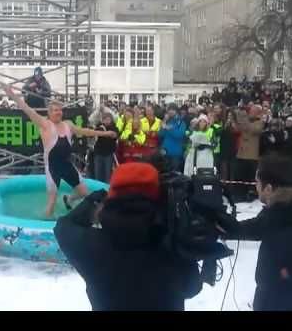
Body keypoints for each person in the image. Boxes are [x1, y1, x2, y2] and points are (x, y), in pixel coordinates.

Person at [54, 162, 202, 311]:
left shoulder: (90, 246)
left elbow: (63, 226)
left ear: (112, 199)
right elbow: (192, 288)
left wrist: (95, 198)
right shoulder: (173, 245)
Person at [200, 155, 292, 310]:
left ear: (268, 188)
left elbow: (250, 228)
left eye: (257, 182)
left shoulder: (282, 213)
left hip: (282, 298)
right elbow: (254, 228)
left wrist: (289, 274)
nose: (255, 187)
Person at [4, 86, 117, 217]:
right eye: (56, 110)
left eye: (60, 110)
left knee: (84, 192)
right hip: (52, 168)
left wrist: (106, 133)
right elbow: (27, 109)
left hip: (67, 165)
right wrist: (11, 94)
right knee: (51, 202)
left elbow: (85, 131)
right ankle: (41, 228)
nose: (59, 112)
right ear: (49, 113)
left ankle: (68, 199)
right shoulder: (45, 124)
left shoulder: (67, 124)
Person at [233, 105, 264, 201]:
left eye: (253, 111)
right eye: (250, 110)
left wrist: (244, 118)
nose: (250, 112)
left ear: (258, 113)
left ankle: (250, 194)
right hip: (241, 153)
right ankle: (239, 194)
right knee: (239, 175)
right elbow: (238, 128)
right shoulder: (246, 120)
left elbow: (252, 129)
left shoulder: (260, 122)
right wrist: (237, 116)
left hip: (252, 155)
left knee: (250, 177)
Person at [159, 104, 187, 172]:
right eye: (169, 110)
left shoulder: (181, 123)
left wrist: (169, 129)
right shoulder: (167, 121)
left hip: (175, 153)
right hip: (165, 152)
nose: (170, 111)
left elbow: (179, 135)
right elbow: (161, 134)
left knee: (174, 175)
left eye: (173, 110)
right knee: (164, 174)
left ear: (176, 111)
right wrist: (164, 122)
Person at [93, 113, 118, 183]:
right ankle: (98, 190)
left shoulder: (114, 128)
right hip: (98, 153)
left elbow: (114, 135)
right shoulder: (99, 127)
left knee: (108, 175)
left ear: (111, 120)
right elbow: (94, 133)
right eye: (105, 119)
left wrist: (105, 133)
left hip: (109, 154)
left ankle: (107, 190)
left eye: (108, 119)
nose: (106, 121)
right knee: (98, 174)